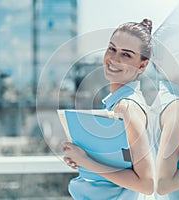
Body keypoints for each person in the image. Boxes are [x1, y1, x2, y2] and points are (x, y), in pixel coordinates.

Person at [62, 19, 154, 199]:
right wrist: (83, 160)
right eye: (112, 49)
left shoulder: (126, 107)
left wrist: (86, 161)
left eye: (126, 55)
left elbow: (146, 183)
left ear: (142, 65)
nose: (114, 59)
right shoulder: (116, 104)